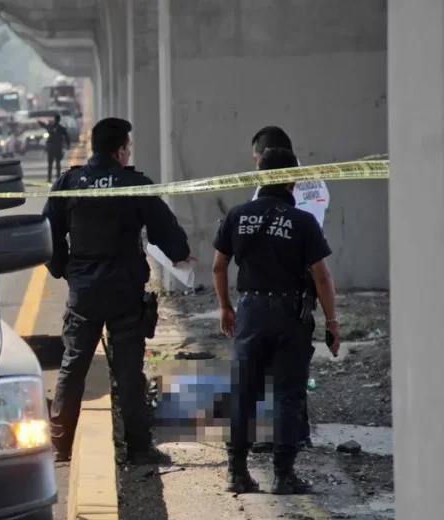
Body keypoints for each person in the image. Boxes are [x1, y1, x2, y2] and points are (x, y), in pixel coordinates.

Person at [44, 117, 192, 464]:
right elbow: (163, 228)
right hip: (125, 292)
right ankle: (139, 449)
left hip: (84, 293)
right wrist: (181, 254)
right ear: (120, 150)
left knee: (73, 368)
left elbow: (48, 232)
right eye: (127, 148)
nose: (128, 153)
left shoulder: (70, 182)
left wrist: (64, 269)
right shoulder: (132, 184)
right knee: (129, 373)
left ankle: (60, 447)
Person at [212, 147, 340, 495]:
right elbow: (322, 277)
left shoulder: (238, 215)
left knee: (244, 393)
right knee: (288, 393)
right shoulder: (302, 222)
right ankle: (284, 475)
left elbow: (219, 265)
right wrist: (331, 321)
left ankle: (237, 473)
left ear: (260, 176)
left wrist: (225, 307)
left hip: (250, 312)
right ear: (292, 179)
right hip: (290, 315)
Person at [247, 126, 330, 453]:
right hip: (306, 276)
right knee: (294, 357)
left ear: (266, 157)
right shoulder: (318, 182)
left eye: (256, 160)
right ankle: (297, 430)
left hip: (277, 279)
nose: (254, 167)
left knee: (272, 358)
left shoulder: (269, 187)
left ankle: (282, 434)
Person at [40, 113, 71, 182]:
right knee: (57, 165)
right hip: (57, 148)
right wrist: (68, 145)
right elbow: (67, 137)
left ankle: (49, 179)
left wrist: (40, 122)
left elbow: (44, 125)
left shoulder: (51, 127)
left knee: (50, 165)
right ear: (59, 120)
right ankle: (57, 178)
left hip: (51, 149)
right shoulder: (61, 128)